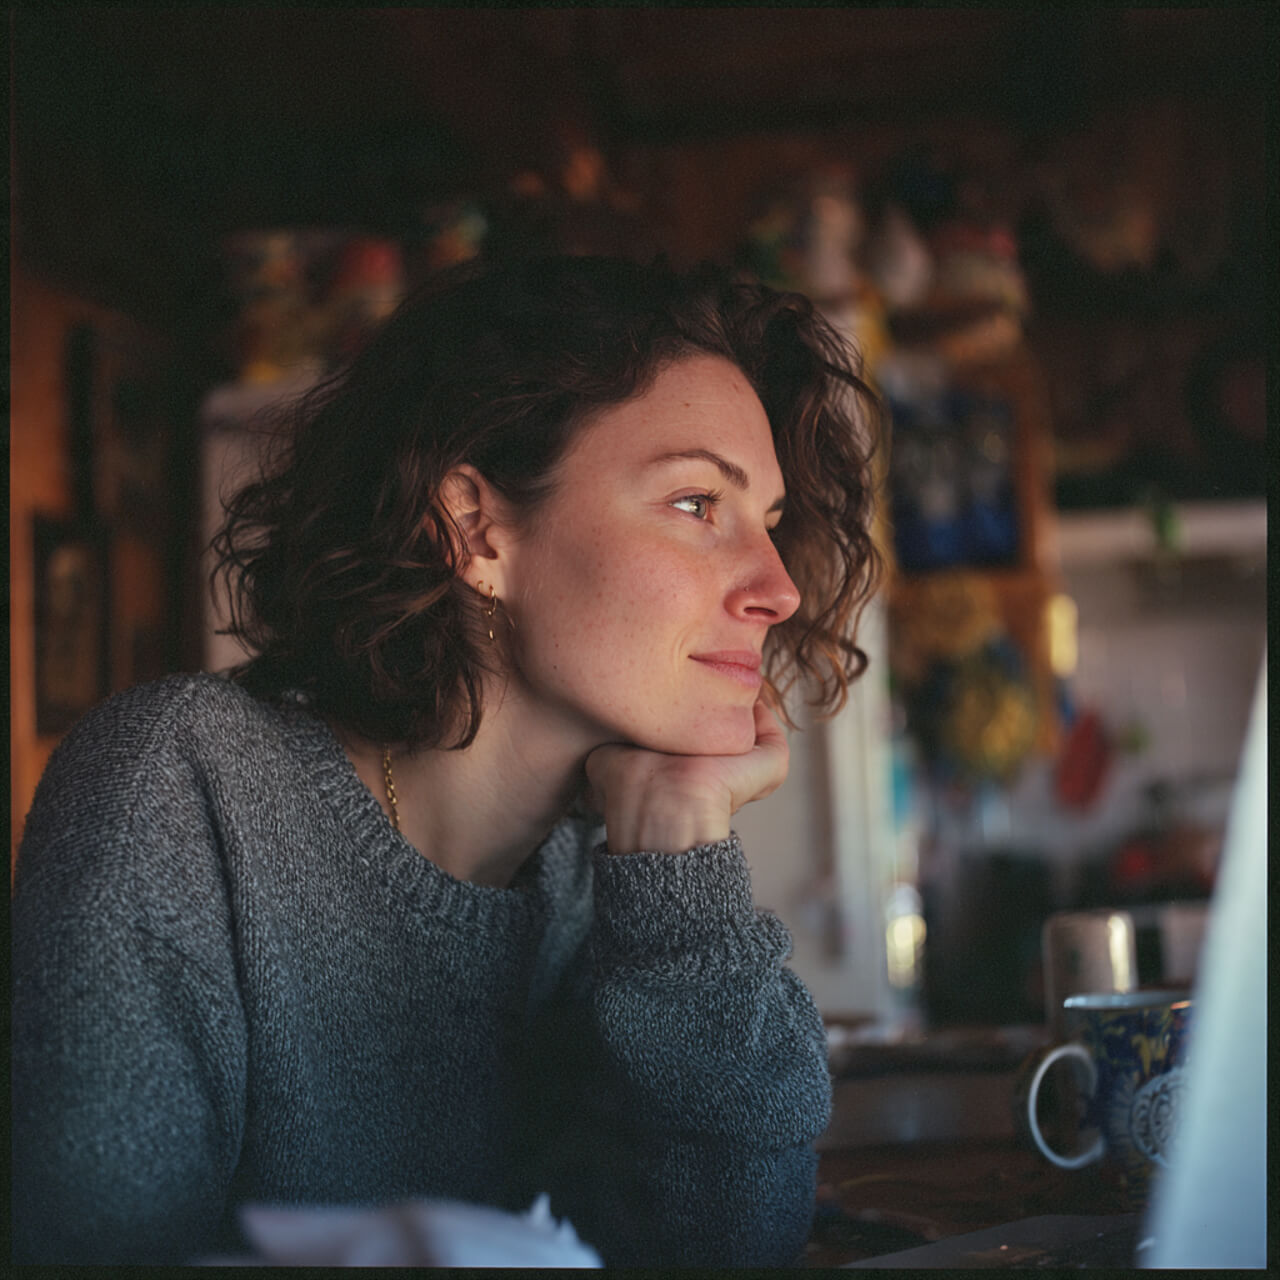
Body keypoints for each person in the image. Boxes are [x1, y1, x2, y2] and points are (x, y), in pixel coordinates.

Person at [12, 254, 883, 1266]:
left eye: (769, 524)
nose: (778, 588)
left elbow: (733, 1250)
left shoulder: (605, 868)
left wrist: (681, 851)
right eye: (697, 504)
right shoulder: (179, 786)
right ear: (474, 528)